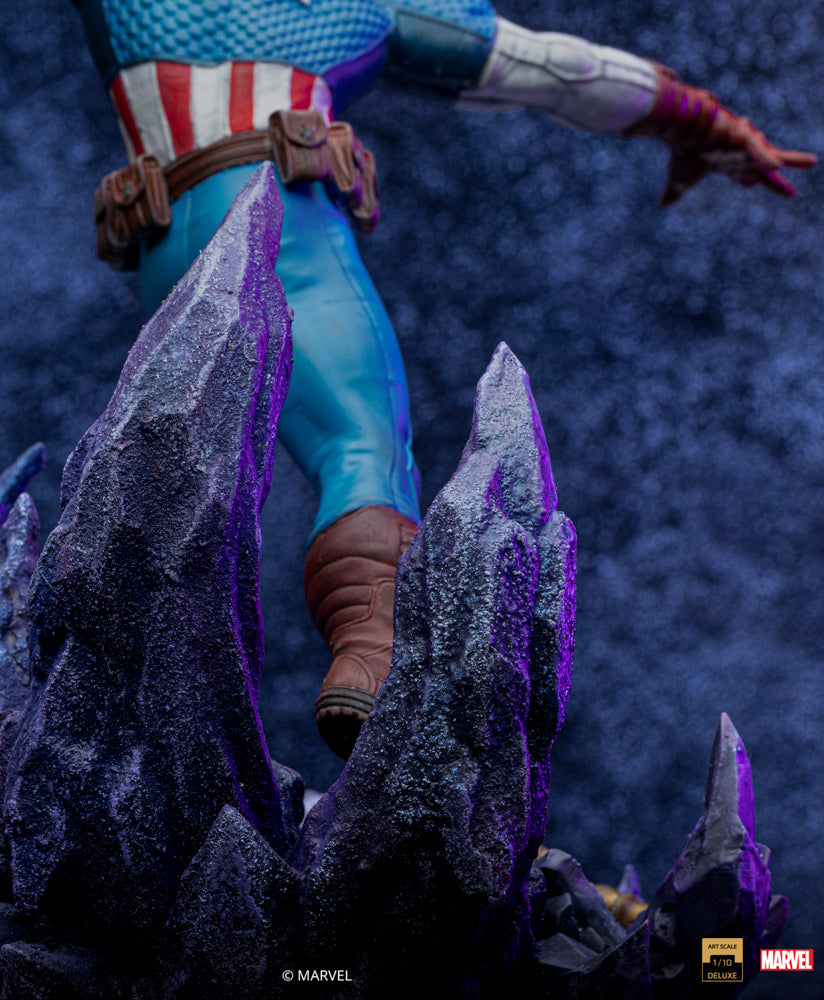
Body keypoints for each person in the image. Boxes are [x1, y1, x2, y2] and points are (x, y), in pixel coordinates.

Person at [71, 0, 814, 758]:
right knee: (362, 450)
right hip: (280, 225)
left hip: (165, 250)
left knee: (169, 489)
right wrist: (701, 120)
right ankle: (374, 653)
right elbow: (553, 68)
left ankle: (114, 721)